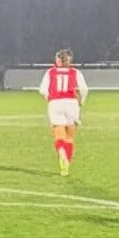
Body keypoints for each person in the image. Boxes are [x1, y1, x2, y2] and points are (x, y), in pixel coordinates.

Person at [40, 48, 88, 176]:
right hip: (71, 103)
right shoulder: (75, 72)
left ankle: (62, 154)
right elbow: (84, 89)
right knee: (70, 137)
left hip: (55, 103)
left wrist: (49, 100)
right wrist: (81, 103)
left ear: (58, 59)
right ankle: (66, 166)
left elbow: (43, 90)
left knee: (58, 134)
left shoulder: (50, 72)